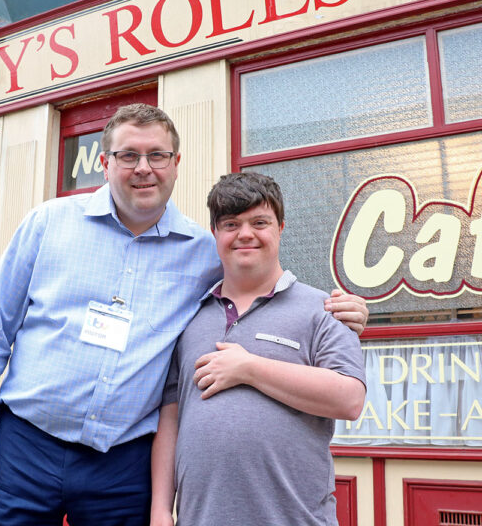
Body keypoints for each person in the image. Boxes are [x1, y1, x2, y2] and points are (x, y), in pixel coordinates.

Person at [0, 104, 368, 526]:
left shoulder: (203, 251)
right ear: (104, 163)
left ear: (175, 163)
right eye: (128, 155)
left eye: (157, 155)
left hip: (124, 465)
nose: (143, 168)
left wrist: (345, 307)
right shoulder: (48, 223)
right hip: (24, 448)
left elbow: (257, 264)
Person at [150, 172, 367, 526]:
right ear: (215, 234)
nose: (245, 234)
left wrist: (249, 368)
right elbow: (171, 416)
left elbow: (349, 399)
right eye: (231, 224)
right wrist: (161, 509)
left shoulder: (325, 309)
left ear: (280, 227)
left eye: (259, 222)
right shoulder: (190, 315)